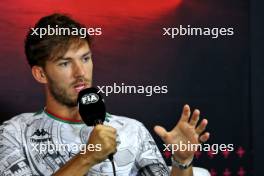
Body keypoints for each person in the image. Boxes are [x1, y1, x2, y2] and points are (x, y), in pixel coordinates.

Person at [0, 13, 210, 176]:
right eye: (65, 63)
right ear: (40, 73)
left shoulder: (132, 130)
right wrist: (87, 157)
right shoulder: (13, 133)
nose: (80, 73)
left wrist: (182, 161)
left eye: (85, 58)